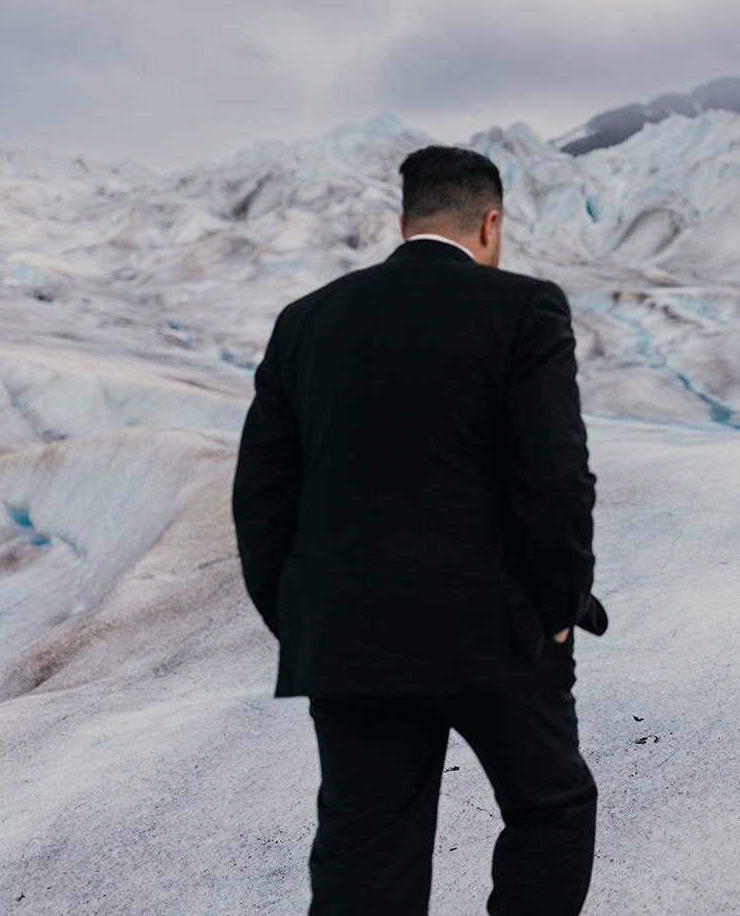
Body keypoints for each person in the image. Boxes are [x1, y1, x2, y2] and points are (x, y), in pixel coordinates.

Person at [232, 145, 606, 916]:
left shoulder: (305, 322)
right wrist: (559, 607)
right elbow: (557, 477)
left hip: (351, 639)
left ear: (403, 222)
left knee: (366, 849)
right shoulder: (524, 309)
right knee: (551, 810)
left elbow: (261, 496)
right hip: (496, 630)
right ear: (490, 222)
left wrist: (305, 618)